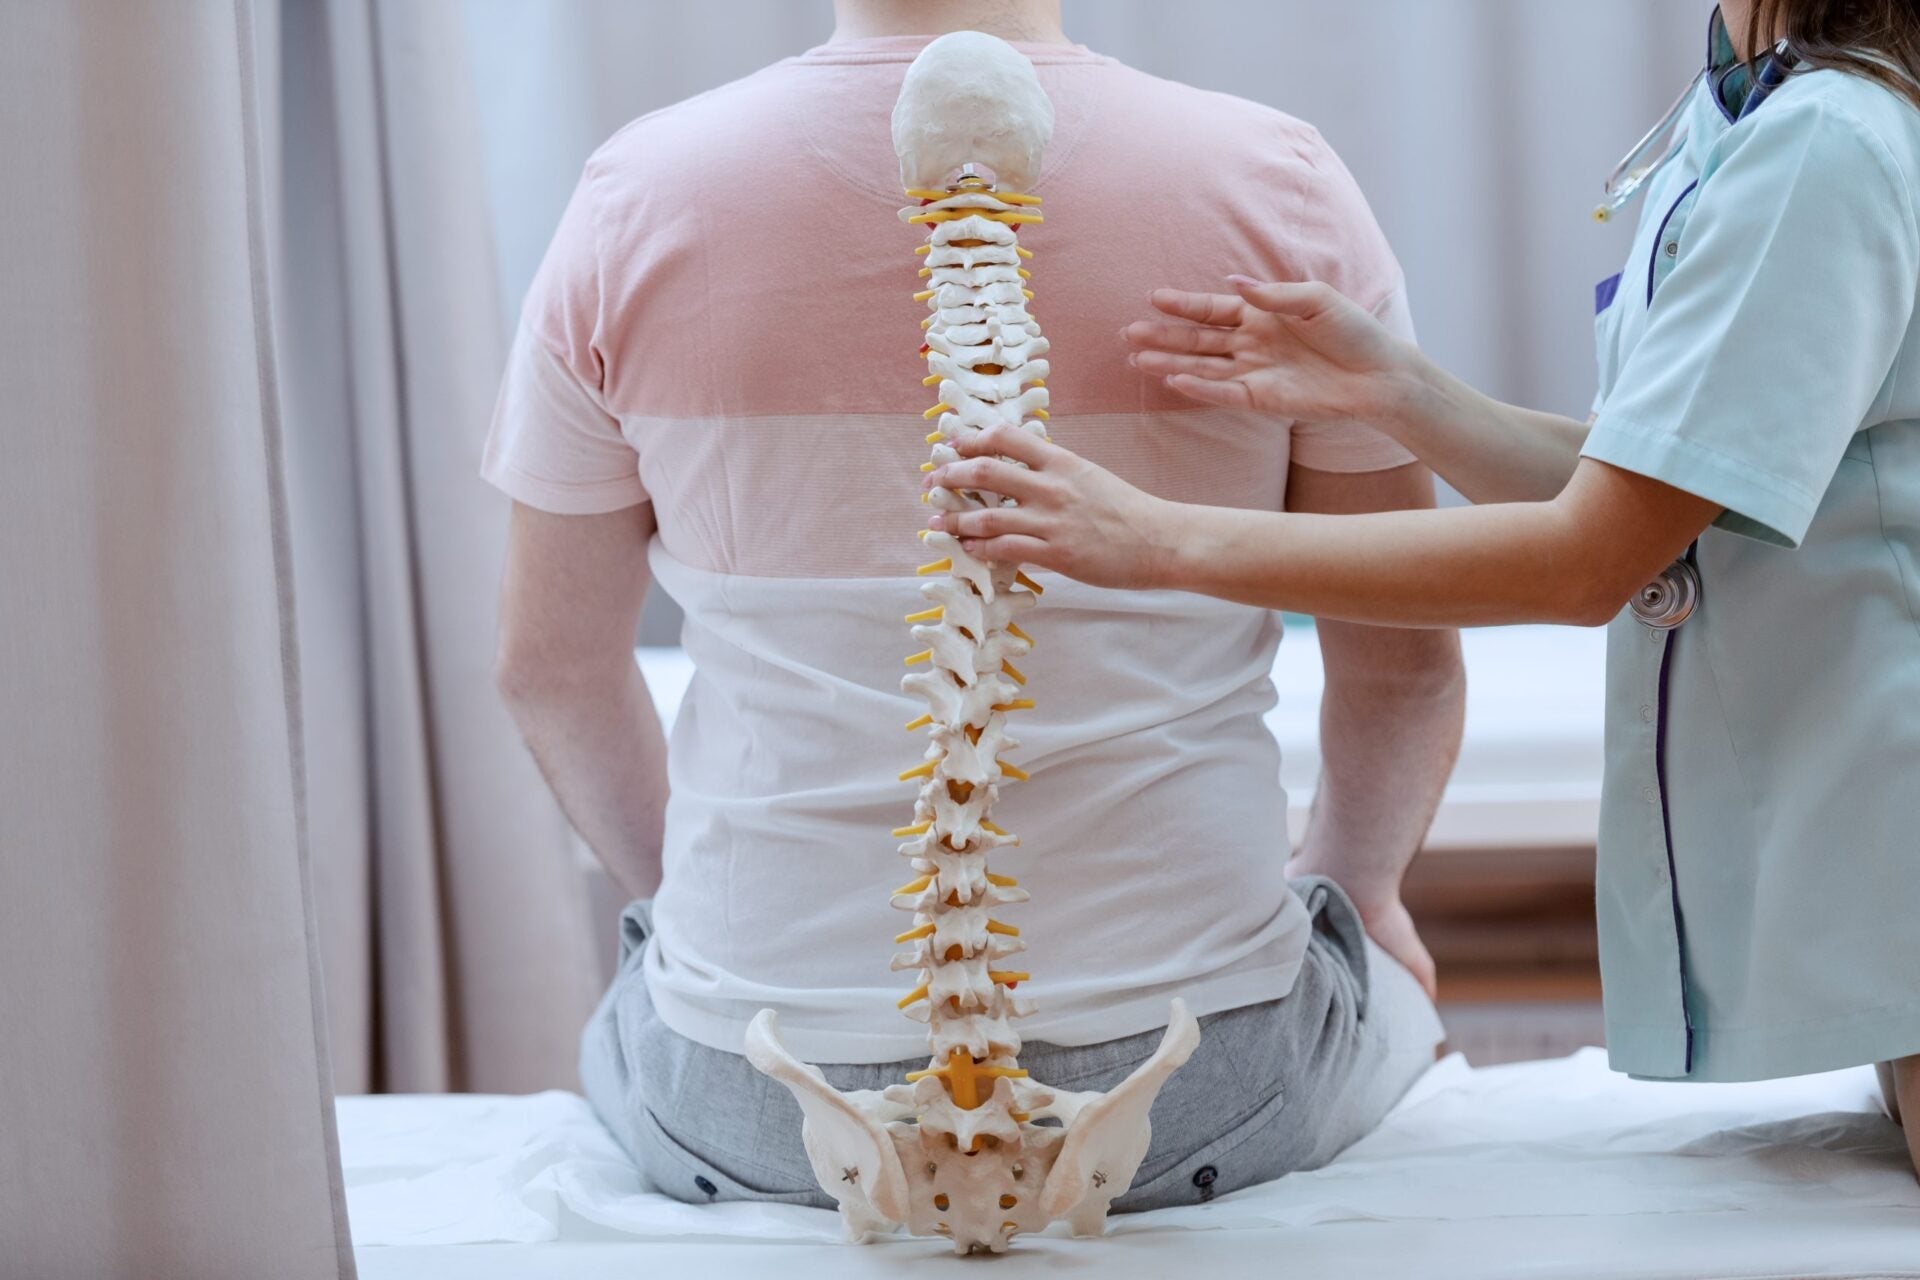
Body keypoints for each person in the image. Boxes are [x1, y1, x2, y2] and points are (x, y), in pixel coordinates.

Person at [487, 0, 1462, 1210]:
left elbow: (552, 666)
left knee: (641, 989)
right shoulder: (1280, 181)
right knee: (1381, 978)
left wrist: (693, 915)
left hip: (751, 1088)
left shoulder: (634, 195)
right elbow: (1404, 661)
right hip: (1196, 1080)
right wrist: (1360, 891)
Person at [927, 0, 1920, 1174]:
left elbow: (1588, 559)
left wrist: (1157, 541)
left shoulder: (1828, 140)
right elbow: (1661, 482)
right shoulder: (1756, 116)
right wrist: (1396, 390)